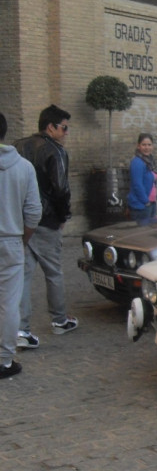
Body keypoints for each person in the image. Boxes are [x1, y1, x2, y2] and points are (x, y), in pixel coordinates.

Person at [13, 104, 78, 349]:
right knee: (53, 272)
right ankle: (59, 320)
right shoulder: (56, 152)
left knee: (24, 274)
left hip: (21, 220)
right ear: (51, 127)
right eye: (64, 128)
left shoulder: (18, 146)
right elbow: (61, 189)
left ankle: (21, 329)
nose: (66, 133)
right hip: (46, 219)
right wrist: (64, 216)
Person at [0, 113, 42, 378]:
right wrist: (23, 238)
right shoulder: (24, 167)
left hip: (13, 239)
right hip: (11, 240)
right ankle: (4, 360)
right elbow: (34, 212)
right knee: (8, 303)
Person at [127, 133, 157, 225]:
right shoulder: (137, 162)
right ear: (138, 146)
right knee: (143, 235)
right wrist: (146, 202)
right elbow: (137, 184)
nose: (147, 147)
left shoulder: (150, 161)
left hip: (151, 203)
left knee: (151, 234)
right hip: (142, 206)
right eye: (144, 145)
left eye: (149, 145)